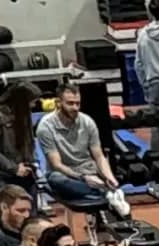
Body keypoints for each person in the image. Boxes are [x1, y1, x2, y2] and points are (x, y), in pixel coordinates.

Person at [35, 81, 128, 233]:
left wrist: (110, 178)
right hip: (65, 174)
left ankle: (112, 201)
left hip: (88, 170)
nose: (75, 108)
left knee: (113, 180)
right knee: (56, 179)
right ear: (58, 103)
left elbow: (99, 156)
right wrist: (84, 178)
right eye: (70, 103)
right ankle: (105, 194)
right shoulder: (45, 127)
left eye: (77, 103)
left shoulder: (87, 122)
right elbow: (57, 164)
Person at [0, 82, 42, 205]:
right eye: (31, 102)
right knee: (10, 214)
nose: (33, 105)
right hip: (2, 176)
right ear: (21, 102)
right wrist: (14, 168)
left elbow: (29, 142)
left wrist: (33, 163)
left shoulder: (24, 114)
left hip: (25, 173)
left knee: (30, 213)